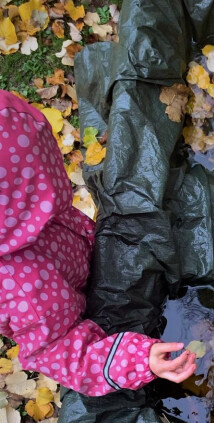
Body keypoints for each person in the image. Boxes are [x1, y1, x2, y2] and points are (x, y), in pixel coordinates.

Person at [0, 90, 196, 395]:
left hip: (70, 256)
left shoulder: (26, 215)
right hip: (70, 313)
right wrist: (138, 359)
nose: (57, 185)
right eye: (43, 190)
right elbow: (64, 352)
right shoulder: (22, 292)